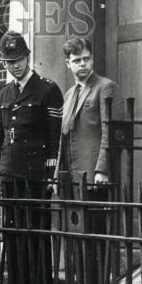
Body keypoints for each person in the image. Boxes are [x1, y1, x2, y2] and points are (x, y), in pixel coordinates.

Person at [0, 31, 63, 284]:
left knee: (36, 232)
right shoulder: (5, 93)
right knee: (13, 232)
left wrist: (51, 175)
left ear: (28, 57)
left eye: (19, 59)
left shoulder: (48, 90)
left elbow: (56, 138)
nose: (15, 66)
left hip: (35, 176)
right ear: (4, 62)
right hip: (10, 174)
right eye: (9, 62)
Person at [55, 36, 119, 186]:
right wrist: (57, 175)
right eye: (77, 60)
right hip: (69, 176)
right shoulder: (69, 94)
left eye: (86, 59)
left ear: (92, 59)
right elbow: (63, 138)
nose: (83, 64)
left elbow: (110, 132)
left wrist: (102, 170)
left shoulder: (105, 87)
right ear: (68, 63)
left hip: (94, 175)